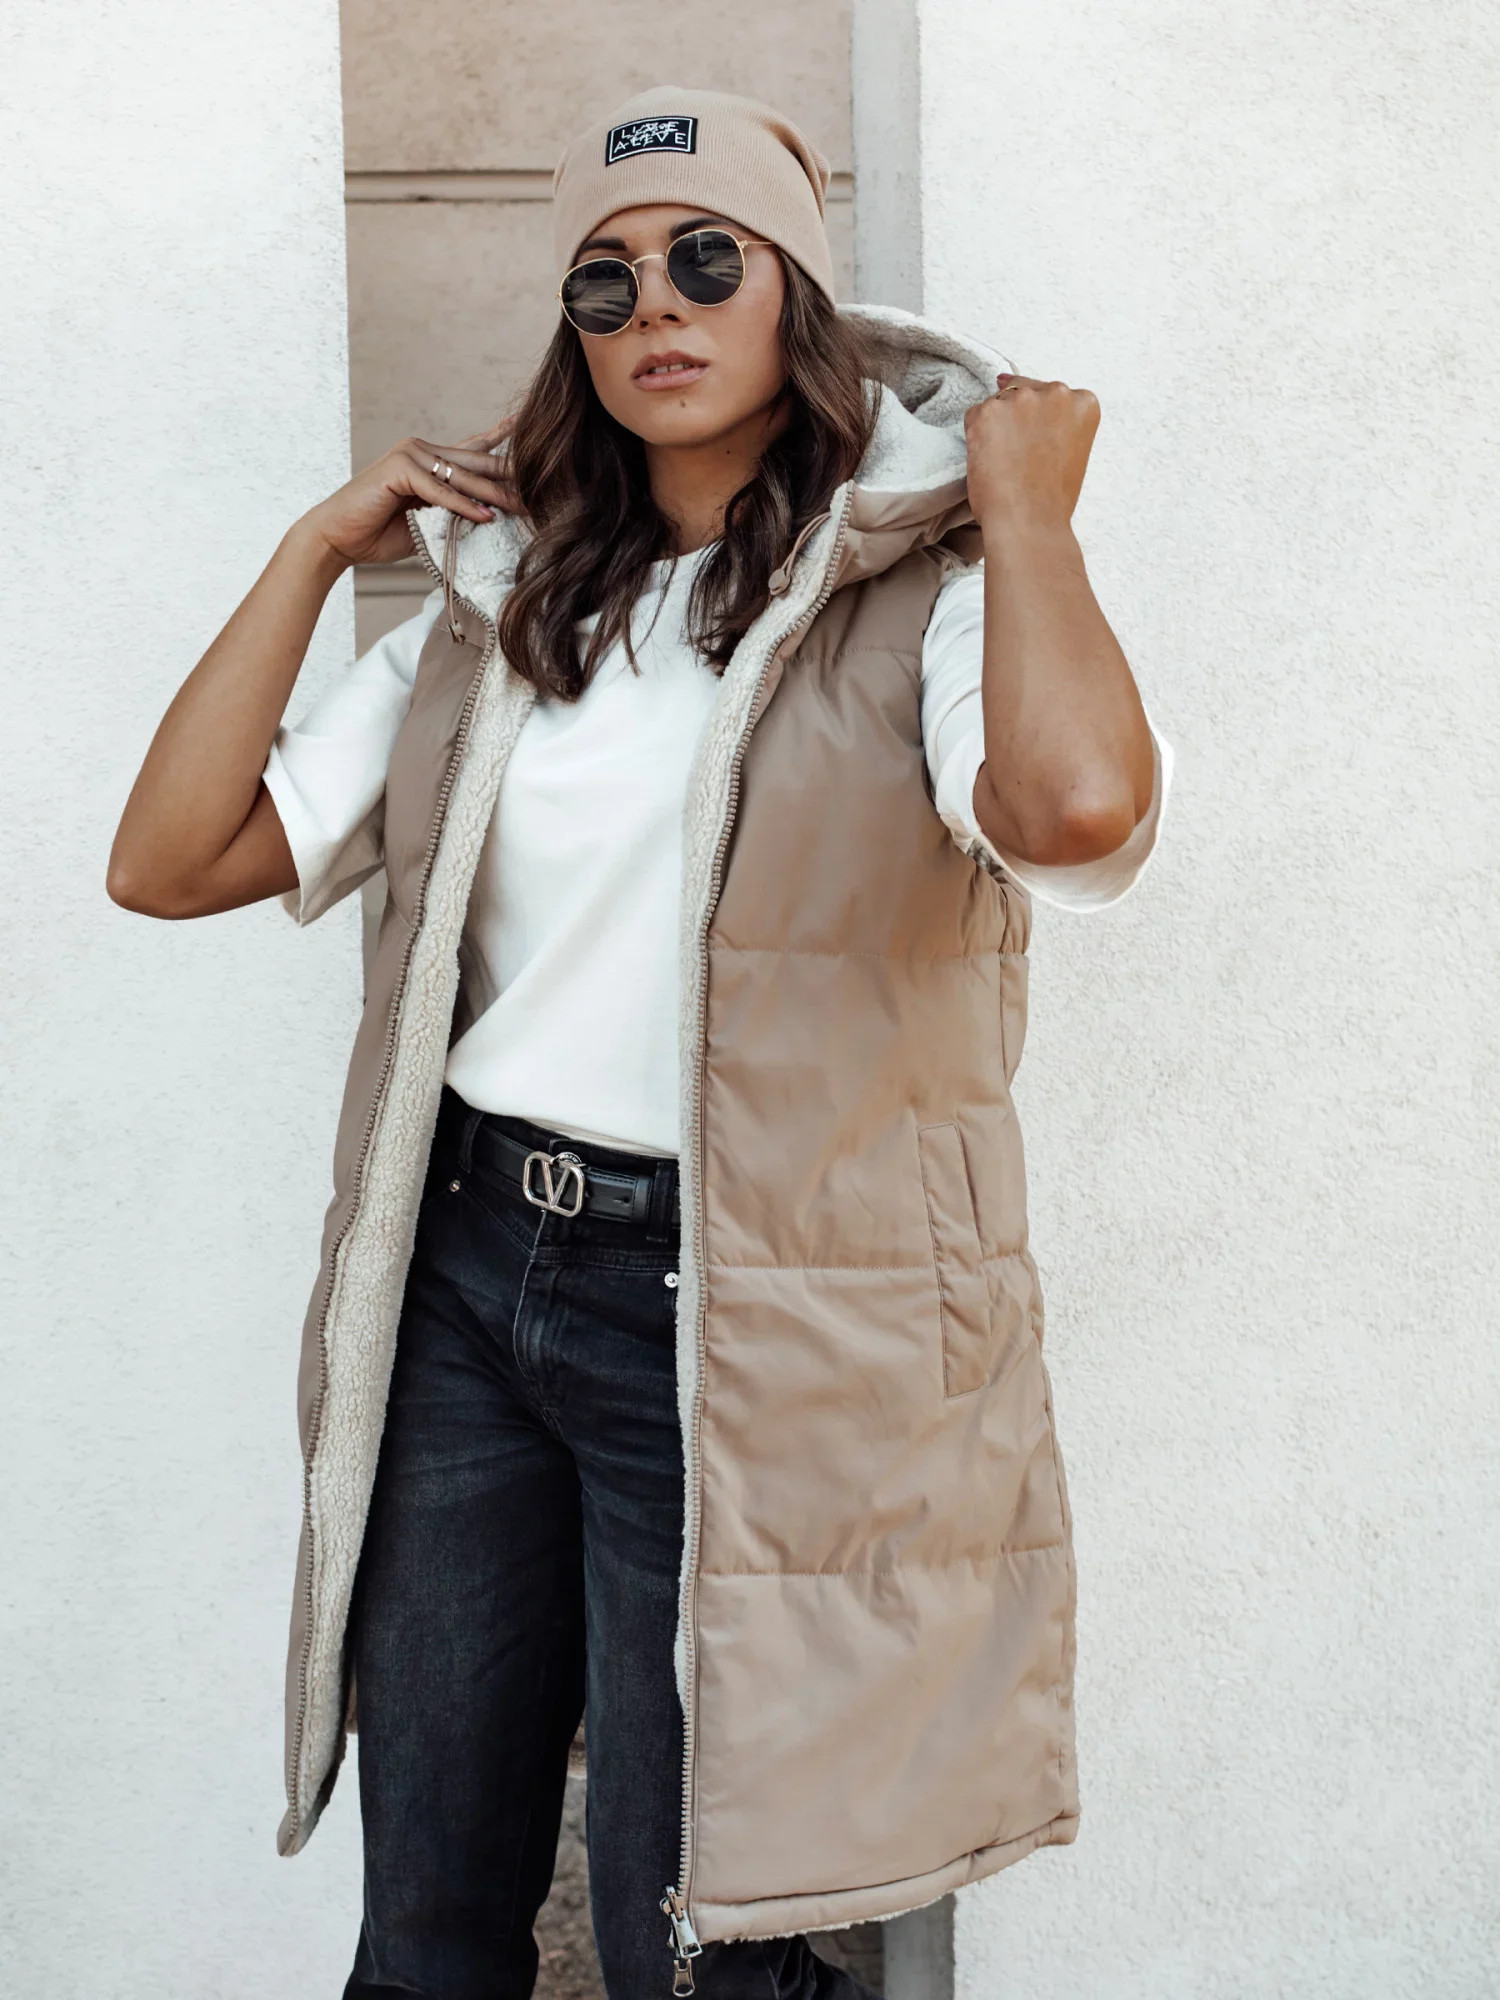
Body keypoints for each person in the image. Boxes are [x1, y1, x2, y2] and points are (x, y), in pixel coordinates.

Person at [108, 84, 1172, 2000]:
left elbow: (1080, 813)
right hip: (465, 1282)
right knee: (428, 1922)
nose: (653, 306)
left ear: (797, 295)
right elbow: (169, 861)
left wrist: (1022, 514)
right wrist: (318, 545)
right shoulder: (503, 608)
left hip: (736, 1304)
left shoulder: (923, 604)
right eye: (603, 282)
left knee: (701, 1940)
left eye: (704, 257)